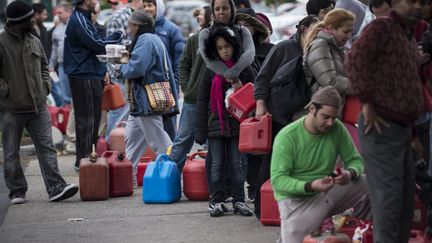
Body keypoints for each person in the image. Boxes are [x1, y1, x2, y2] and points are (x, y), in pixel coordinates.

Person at [345, 0, 424, 241]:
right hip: (381, 125)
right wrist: (367, 103)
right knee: (389, 205)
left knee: (403, 206)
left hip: (402, 128)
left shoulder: (406, 36)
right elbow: (354, 60)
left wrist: (412, 135)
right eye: (411, 1)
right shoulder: (382, 28)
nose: (417, 6)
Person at [0, 0, 79, 204]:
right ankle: (17, 191)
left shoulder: (33, 39)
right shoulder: (1, 43)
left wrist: (45, 86)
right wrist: (7, 92)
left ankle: (56, 187)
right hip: (11, 109)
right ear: (19, 21)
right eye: (29, 18)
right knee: (10, 153)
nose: (34, 19)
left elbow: (44, 65)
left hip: (38, 106)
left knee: (47, 147)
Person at [271, 86, 370, 243]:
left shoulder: (337, 128)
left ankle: (365, 232)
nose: (330, 122)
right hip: (296, 201)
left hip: (327, 191)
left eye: (334, 117)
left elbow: (355, 160)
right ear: (312, 109)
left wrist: (349, 173)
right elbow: (278, 181)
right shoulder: (287, 136)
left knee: (373, 184)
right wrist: (310, 186)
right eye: (325, 117)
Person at [252, 15, 319, 218]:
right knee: (272, 161)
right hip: (279, 115)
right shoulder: (283, 48)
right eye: (314, 30)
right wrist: (260, 104)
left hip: (303, 117)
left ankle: (289, 208)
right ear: (303, 28)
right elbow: (262, 78)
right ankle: (261, 207)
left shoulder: (317, 51)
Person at [195, 26, 255, 217]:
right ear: (215, 50)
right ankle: (217, 200)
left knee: (237, 165)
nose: (224, 51)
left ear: (235, 46)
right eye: (220, 48)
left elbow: (254, 93)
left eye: (227, 46)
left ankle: (239, 201)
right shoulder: (210, 69)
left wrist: (240, 85)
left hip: (238, 125)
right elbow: (202, 100)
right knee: (216, 165)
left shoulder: (244, 69)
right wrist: (200, 129)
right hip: (215, 124)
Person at [114, 10, 178, 186]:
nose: (128, 29)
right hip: (142, 101)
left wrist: (120, 71)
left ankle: (176, 177)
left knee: (159, 142)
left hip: (145, 101)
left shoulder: (145, 40)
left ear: (137, 26)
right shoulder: (152, 38)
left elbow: (138, 68)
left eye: (130, 25)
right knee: (132, 139)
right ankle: (128, 179)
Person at [64, 0, 123, 171]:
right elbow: (96, 44)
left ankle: (83, 160)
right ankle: (85, 160)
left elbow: (95, 41)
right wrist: (115, 38)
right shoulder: (80, 19)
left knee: (89, 119)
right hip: (85, 75)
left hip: (86, 74)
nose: (96, 2)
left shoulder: (82, 18)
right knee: (89, 120)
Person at [170, 5, 211, 174]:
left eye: (200, 14)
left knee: (214, 144)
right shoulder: (194, 39)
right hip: (193, 100)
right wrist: (187, 88)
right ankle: (170, 177)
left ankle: (214, 185)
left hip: (215, 101)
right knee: (182, 140)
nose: (197, 18)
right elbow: (183, 65)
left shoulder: (220, 39)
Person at [142, 0, 185, 141]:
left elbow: (180, 60)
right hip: (146, 86)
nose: (147, 9)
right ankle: (156, 160)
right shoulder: (142, 29)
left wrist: (175, 84)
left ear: (158, 7)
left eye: (150, 5)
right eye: (144, 6)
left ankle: (170, 159)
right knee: (148, 128)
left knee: (168, 126)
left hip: (166, 86)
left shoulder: (172, 30)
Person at [105, 0, 144, 143]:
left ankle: (122, 148)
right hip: (121, 76)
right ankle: (111, 145)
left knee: (128, 116)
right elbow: (110, 48)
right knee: (119, 112)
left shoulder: (143, 16)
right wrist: (116, 74)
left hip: (134, 74)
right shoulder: (119, 17)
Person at [199, 0, 256, 86]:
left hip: (244, 81)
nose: (221, 12)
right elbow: (208, 60)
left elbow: (250, 53)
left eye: (225, 8)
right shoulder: (205, 33)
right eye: (217, 9)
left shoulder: (242, 30)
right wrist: (232, 78)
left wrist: (235, 71)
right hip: (214, 84)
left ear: (232, 9)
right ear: (213, 12)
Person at [303, 9, 355, 100]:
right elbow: (331, 82)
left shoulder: (337, 47)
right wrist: (363, 86)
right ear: (330, 28)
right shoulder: (320, 45)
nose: (349, 36)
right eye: (345, 32)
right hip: (326, 108)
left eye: (351, 32)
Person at [49, 2, 73, 107]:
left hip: (75, 66)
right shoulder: (57, 29)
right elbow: (54, 49)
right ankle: (67, 121)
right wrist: (51, 65)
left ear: (68, 12)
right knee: (65, 97)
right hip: (62, 67)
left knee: (77, 95)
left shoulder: (75, 25)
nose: (57, 15)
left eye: (60, 12)